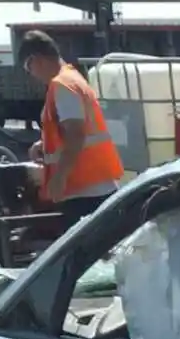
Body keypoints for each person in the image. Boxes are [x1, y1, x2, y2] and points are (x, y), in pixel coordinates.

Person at [17, 30, 123, 229]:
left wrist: (59, 177)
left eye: (27, 68)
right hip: (95, 183)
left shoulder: (62, 86)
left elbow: (76, 133)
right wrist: (44, 144)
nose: (31, 75)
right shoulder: (73, 79)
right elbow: (76, 129)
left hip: (83, 189)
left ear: (36, 59)